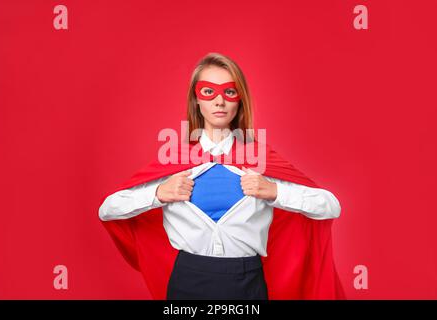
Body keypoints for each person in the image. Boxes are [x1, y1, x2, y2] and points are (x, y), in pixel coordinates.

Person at [98, 52, 344, 300]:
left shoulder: (260, 161)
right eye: (208, 92)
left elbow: (331, 206)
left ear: (239, 101)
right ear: (197, 100)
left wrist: (275, 191)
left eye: (229, 92)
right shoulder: (174, 163)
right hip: (187, 281)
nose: (219, 102)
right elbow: (107, 210)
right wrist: (157, 194)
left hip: (248, 283)